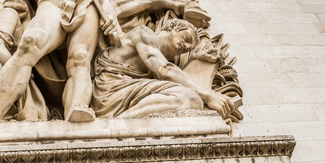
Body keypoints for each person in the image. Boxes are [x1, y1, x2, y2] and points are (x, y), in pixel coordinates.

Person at [92, 19, 234, 119]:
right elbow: (164, 69)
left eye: (188, 48)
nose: (185, 46)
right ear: (171, 26)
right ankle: (118, 123)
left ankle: (123, 121)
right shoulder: (144, 33)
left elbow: (167, 68)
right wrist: (209, 95)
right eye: (186, 37)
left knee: (192, 100)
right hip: (110, 92)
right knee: (190, 97)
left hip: (126, 92)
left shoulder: (159, 59)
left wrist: (194, 57)